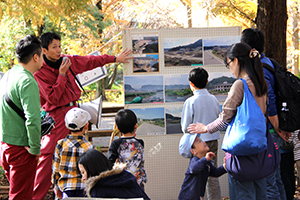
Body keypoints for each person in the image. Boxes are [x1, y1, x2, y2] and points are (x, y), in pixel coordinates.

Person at [33, 32, 133, 199]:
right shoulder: (39, 72)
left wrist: (115, 58)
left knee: (84, 152)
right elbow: (53, 98)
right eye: (54, 47)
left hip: (76, 111)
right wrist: (62, 74)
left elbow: (90, 61)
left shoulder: (67, 60)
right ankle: (37, 196)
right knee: (48, 153)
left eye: (60, 46)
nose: (59, 50)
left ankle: (89, 192)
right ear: (44, 50)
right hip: (56, 116)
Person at [188, 43, 269, 199]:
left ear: (236, 61)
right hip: (260, 148)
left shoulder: (240, 85)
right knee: (260, 193)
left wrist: (205, 128)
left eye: (228, 64)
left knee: (243, 194)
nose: (230, 69)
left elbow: (225, 119)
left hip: (242, 148)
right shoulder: (260, 83)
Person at [241, 28, 291, 200]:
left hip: (270, 131)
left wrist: (277, 128)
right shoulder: (269, 62)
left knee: (269, 182)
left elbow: (268, 100)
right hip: (272, 131)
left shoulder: (261, 68)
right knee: (276, 179)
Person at [0, 35, 43, 199]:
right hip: (21, 149)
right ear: (35, 57)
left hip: (6, 145)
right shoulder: (27, 80)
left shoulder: (8, 75)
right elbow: (33, 119)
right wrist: (35, 149)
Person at [181, 67, 222, 200]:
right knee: (212, 175)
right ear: (207, 81)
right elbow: (218, 120)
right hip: (213, 141)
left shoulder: (190, 101)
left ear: (191, 84)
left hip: (197, 144)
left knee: (196, 175)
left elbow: (185, 128)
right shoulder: (214, 99)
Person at [52, 107, 95, 199]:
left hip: (65, 188)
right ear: (86, 126)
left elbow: (56, 170)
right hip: (84, 188)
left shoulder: (61, 144)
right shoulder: (90, 146)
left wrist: (56, 187)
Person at [77, 149, 150, 199]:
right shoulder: (126, 176)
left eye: (83, 172)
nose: (83, 177)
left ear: (92, 169)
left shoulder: (97, 190)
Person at [107, 109, 147, 189]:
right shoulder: (140, 143)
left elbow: (109, 162)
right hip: (138, 181)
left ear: (118, 129)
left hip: (123, 181)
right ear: (135, 126)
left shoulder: (116, 144)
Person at [178, 133, 227, 200]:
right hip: (188, 197)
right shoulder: (194, 160)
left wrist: (225, 166)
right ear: (193, 151)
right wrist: (205, 159)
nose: (203, 142)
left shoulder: (206, 162)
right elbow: (194, 168)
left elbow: (215, 172)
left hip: (198, 196)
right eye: (199, 141)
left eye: (201, 140)